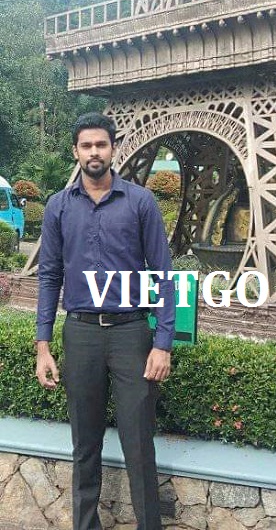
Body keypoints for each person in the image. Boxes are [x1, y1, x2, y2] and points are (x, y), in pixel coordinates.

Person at [35, 112, 175, 530]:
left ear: (113, 148)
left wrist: (162, 342)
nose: (94, 152)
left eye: (101, 144)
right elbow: (49, 276)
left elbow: (163, 274)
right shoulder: (58, 206)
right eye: (86, 146)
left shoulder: (140, 202)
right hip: (80, 333)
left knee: (139, 444)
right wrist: (43, 345)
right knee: (84, 445)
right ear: (75, 151)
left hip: (131, 332)